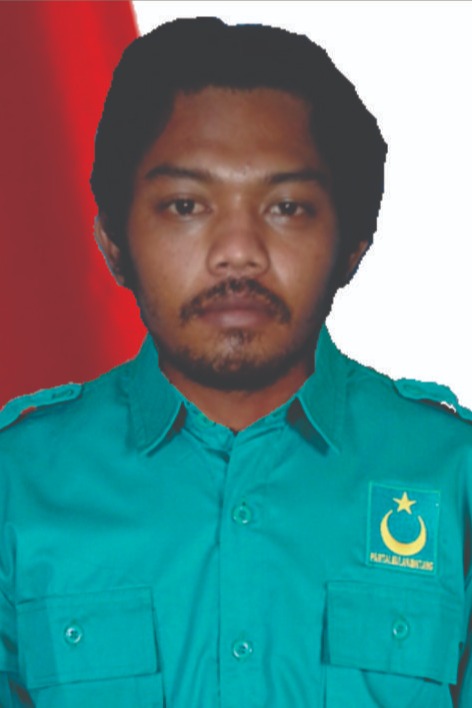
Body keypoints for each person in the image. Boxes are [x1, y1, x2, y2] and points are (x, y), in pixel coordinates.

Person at [0, 16, 470, 707]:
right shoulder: (17, 481)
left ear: (352, 245)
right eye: (186, 205)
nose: (239, 252)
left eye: (287, 207)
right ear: (113, 244)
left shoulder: (452, 473)